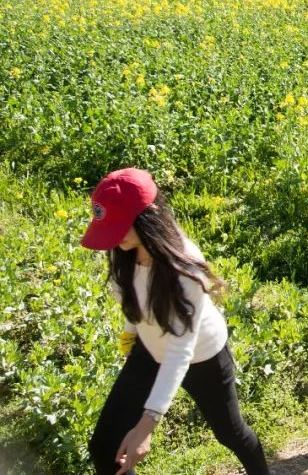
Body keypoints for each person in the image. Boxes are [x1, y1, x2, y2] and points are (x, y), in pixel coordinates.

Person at [81, 168, 270, 475]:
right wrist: (130, 333)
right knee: (105, 446)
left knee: (230, 433)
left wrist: (147, 424)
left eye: (120, 226)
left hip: (201, 354)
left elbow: (180, 350)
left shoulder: (184, 267)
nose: (114, 237)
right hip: (150, 348)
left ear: (147, 218)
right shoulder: (122, 248)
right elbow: (133, 298)